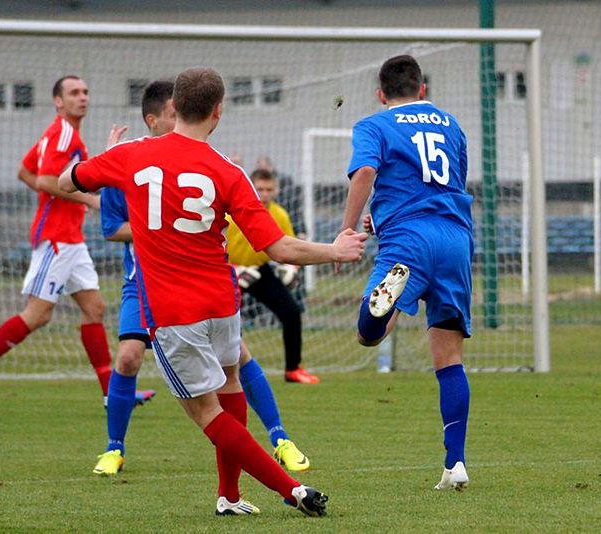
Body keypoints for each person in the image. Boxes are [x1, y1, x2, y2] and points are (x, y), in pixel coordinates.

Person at [60, 67, 367, 517]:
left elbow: (69, 181)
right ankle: (229, 495)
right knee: (231, 383)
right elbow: (279, 247)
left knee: (206, 411)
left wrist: (104, 164)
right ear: (218, 112)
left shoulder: (130, 155)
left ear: (174, 107)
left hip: (173, 311)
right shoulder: (229, 172)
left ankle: (291, 489)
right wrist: (335, 248)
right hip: (223, 302)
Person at [92, 80, 311, 477]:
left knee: (238, 358)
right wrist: (154, 224)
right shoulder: (126, 160)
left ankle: (280, 438)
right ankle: (114, 448)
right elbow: (110, 226)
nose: (183, 122)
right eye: (174, 116)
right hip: (142, 281)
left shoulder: (208, 162)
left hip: (198, 281)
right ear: (153, 119)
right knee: (127, 359)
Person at [340, 55, 473, 491]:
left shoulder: (374, 125)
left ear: (381, 94)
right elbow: (448, 184)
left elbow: (365, 171)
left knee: (368, 335)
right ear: (422, 89)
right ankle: (455, 464)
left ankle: (383, 304)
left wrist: (348, 227)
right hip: (454, 238)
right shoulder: (451, 125)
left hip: (408, 241)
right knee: (449, 359)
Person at [0, 76, 112, 414]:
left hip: (71, 238)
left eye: (85, 92)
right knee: (38, 314)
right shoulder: (64, 133)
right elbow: (42, 179)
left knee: (94, 308)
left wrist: (65, 200)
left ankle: (112, 393)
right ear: (58, 101)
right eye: (74, 93)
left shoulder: (58, 132)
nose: (82, 98)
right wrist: (88, 199)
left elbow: (25, 172)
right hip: (56, 238)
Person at [226, 168, 317, 384]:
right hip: (228, 271)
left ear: (276, 190)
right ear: (252, 189)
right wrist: (235, 269)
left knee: (291, 312)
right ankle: (218, 373)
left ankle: (293, 369)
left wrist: (291, 270)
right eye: (260, 189)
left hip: (260, 271)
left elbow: (289, 246)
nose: (264, 194)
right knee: (222, 322)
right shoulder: (232, 213)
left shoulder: (280, 215)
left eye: (269, 189)